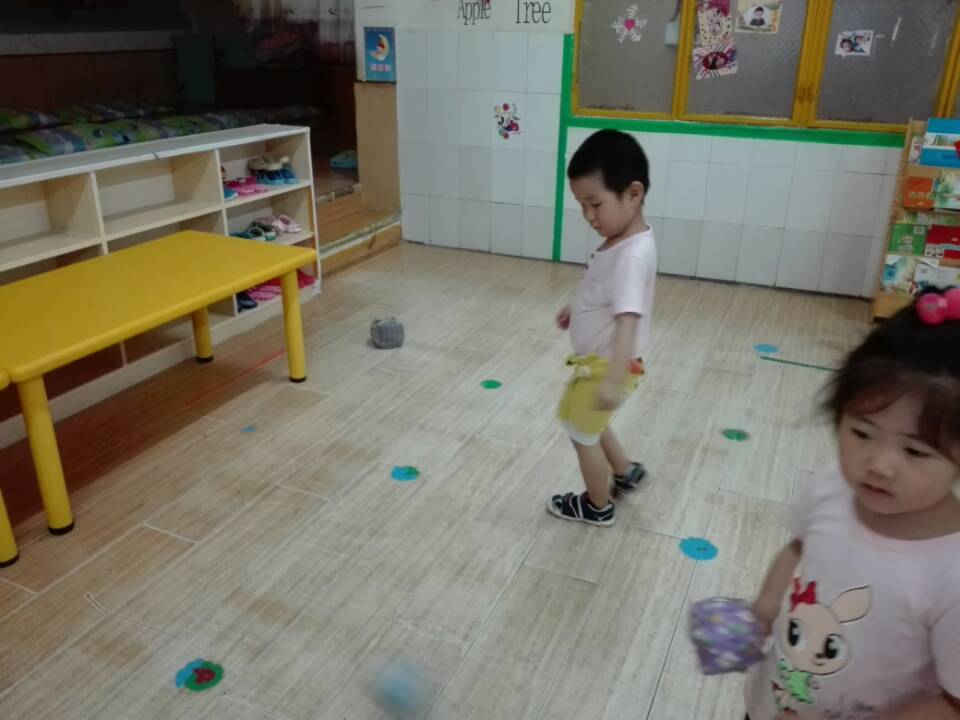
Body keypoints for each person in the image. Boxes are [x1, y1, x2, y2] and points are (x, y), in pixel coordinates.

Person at [744, 290, 960, 719]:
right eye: (862, 433)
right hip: (774, 701)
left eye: (915, 451)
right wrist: (766, 606)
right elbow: (799, 546)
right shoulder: (832, 486)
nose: (878, 465)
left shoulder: (952, 570)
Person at [548, 129, 657, 527]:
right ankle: (624, 470)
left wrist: (612, 378)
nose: (589, 216)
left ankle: (597, 505)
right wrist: (576, 308)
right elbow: (604, 293)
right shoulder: (624, 242)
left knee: (580, 430)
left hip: (607, 367)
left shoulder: (630, 256)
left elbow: (628, 318)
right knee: (592, 420)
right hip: (606, 364)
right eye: (582, 206)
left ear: (633, 193)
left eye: (595, 204)